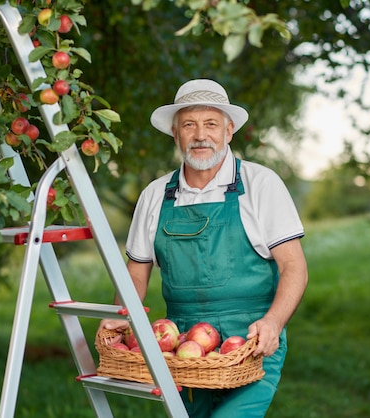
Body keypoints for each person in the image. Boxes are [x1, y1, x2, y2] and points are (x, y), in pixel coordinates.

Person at [99, 79, 308, 417]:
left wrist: (274, 322)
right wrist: (118, 320)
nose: (200, 135)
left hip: (250, 343)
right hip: (180, 346)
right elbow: (136, 275)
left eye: (211, 124)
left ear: (229, 131)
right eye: (189, 125)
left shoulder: (260, 184)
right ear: (175, 132)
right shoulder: (155, 195)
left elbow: (294, 267)